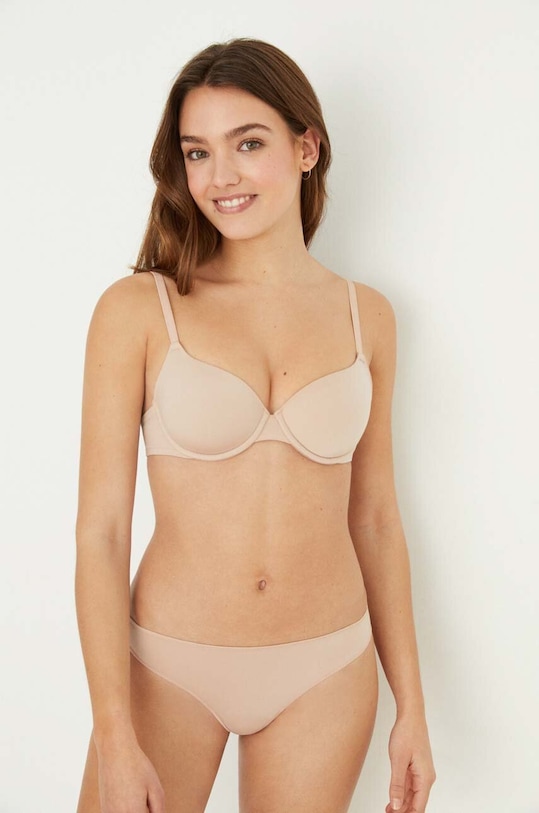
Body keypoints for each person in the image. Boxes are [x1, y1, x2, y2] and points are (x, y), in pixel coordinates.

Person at [75, 37, 436, 813]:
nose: (220, 177)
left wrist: (411, 705)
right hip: (167, 666)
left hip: (325, 670)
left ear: (306, 148)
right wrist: (113, 729)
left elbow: (375, 517)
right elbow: (101, 531)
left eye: (247, 144)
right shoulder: (139, 309)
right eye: (197, 152)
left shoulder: (367, 316)